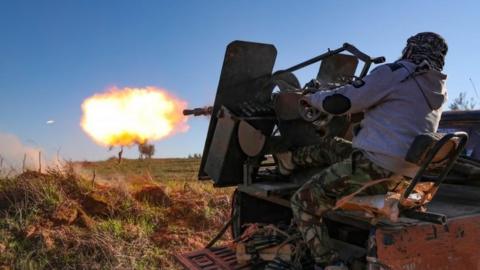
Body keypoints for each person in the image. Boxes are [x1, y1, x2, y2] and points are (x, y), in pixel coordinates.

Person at [280, 32, 448, 268]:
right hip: (406, 171)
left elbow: (339, 102)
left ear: (410, 50)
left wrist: (312, 98)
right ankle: (288, 161)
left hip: (375, 165)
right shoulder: (437, 87)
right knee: (333, 146)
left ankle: (329, 262)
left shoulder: (396, 73)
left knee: (302, 201)